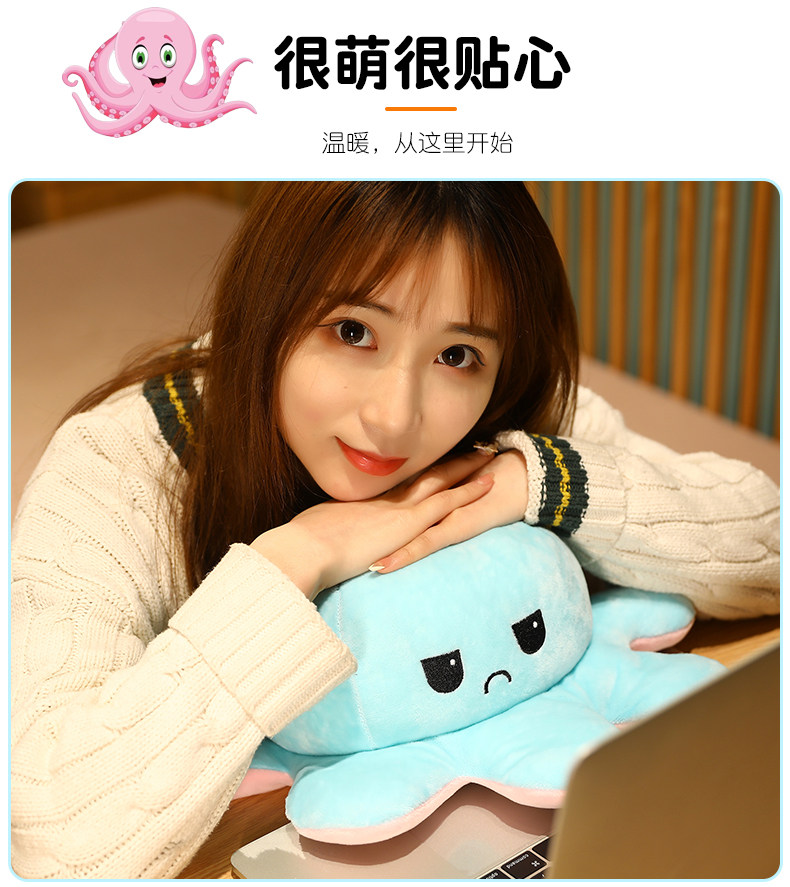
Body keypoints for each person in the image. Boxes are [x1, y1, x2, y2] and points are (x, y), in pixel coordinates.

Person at [11, 182, 779, 879]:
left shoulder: (508, 409)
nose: (394, 416)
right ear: (266, 302)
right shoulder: (120, 463)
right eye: (352, 330)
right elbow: (53, 842)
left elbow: (769, 544)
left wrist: (539, 482)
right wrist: (293, 559)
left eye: (456, 354)